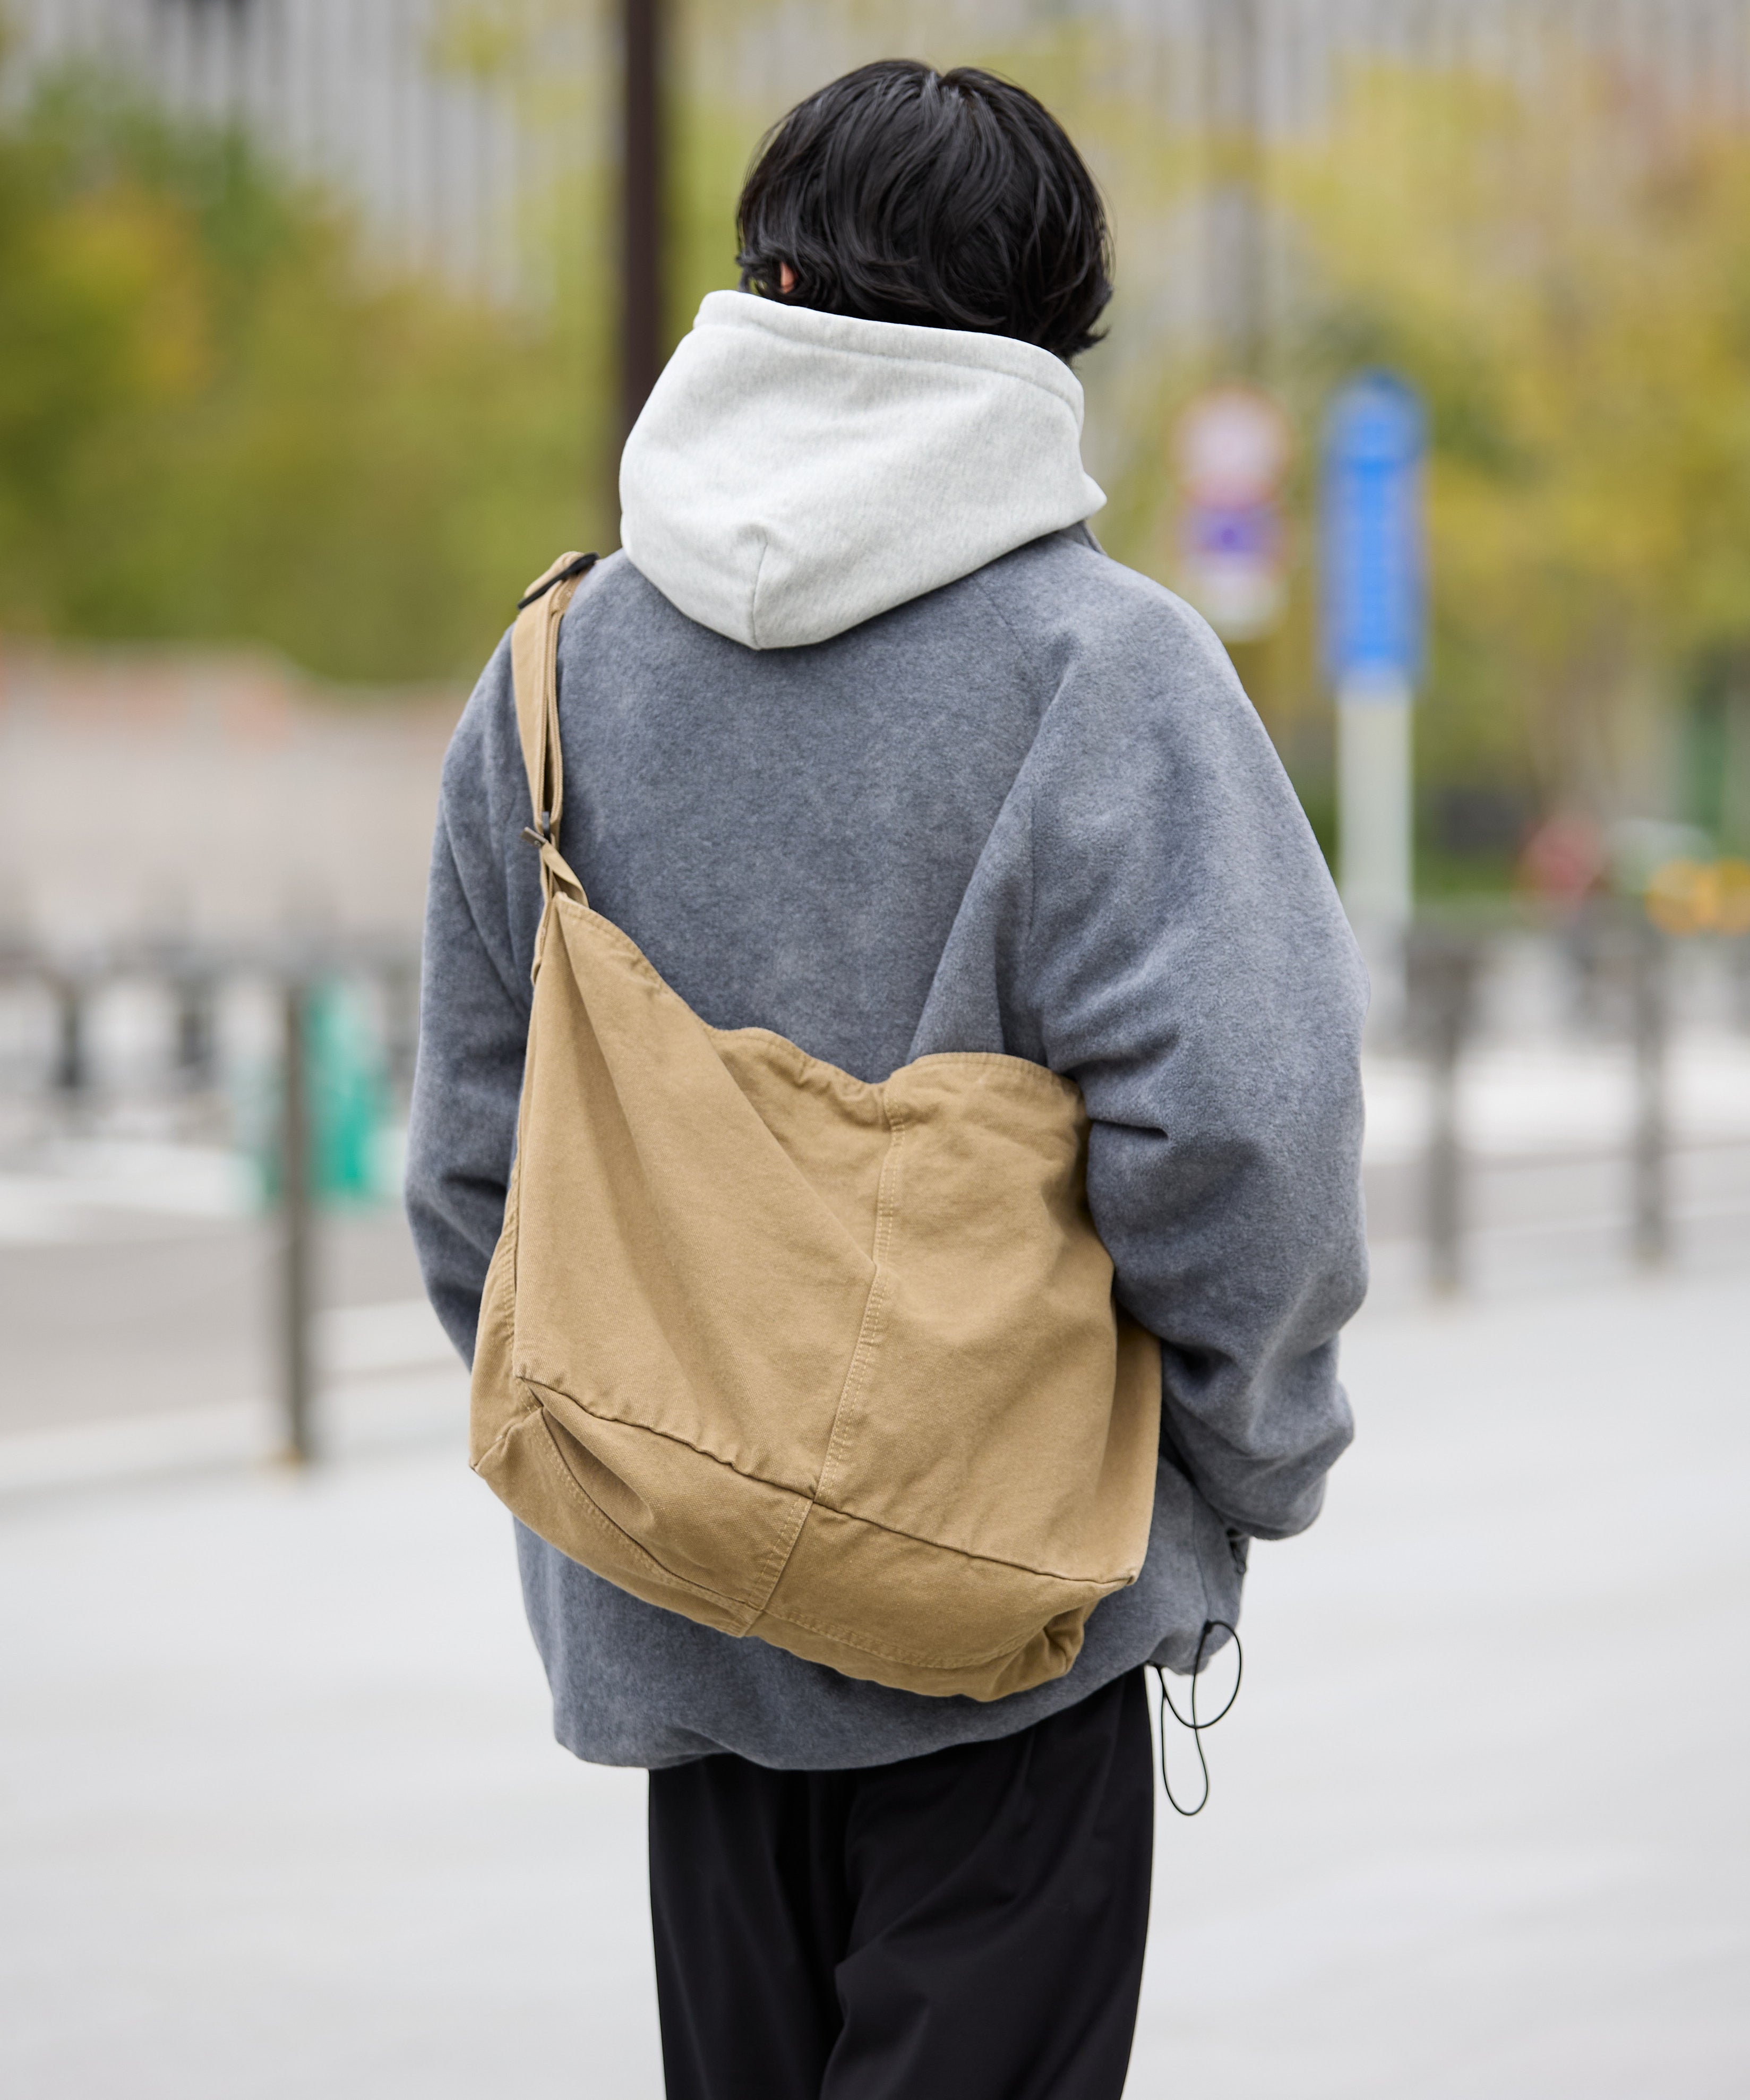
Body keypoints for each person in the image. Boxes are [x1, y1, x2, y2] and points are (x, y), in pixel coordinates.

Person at [407, 57, 1365, 2100]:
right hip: (1015, 1622)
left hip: (682, 1637)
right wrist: (1241, 1472)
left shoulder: (560, 673)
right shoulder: (1108, 675)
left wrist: (665, 1468)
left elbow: (475, 1176)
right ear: (1046, 334)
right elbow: (1246, 1144)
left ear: (764, 285)